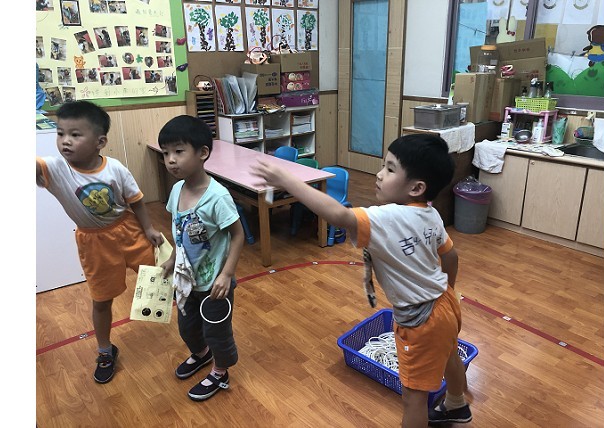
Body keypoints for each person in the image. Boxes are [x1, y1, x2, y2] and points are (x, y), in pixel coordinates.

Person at [251, 133, 471, 427]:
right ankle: (456, 404)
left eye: (390, 169)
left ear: (417, 187)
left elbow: (338, 215)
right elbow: (451, 256)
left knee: (414, 397)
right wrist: (449, 290)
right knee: (449, 353)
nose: (379, 175)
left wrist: (286, 179)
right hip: (445, 304)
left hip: (421, 321)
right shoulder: (430, 214)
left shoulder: (387, 218)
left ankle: (453, 407)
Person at [35, 100, 164, 384]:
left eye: (75, 134)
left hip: (128, 230)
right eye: (60, 133)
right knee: (102, 300)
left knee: (155, 273)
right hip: (94, 243)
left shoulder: (115, 169)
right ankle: (105, 350)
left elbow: (136, 200)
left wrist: (149, 228)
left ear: (100, 142)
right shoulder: (55, 169)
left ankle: (175, 303)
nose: (65, 141)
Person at [157, 115, 245, 402]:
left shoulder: (217, 197)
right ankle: (201, 354)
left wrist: (226, 274)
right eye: (166, 153)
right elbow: (179, 231)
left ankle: (220, 371)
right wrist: (172, 259)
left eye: (179, 151)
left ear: (202, 153)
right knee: (188, 328)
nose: (171, 160)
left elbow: (238, 235)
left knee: (217, 332)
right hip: (186, 280)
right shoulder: (176, 190)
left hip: (214, 284)